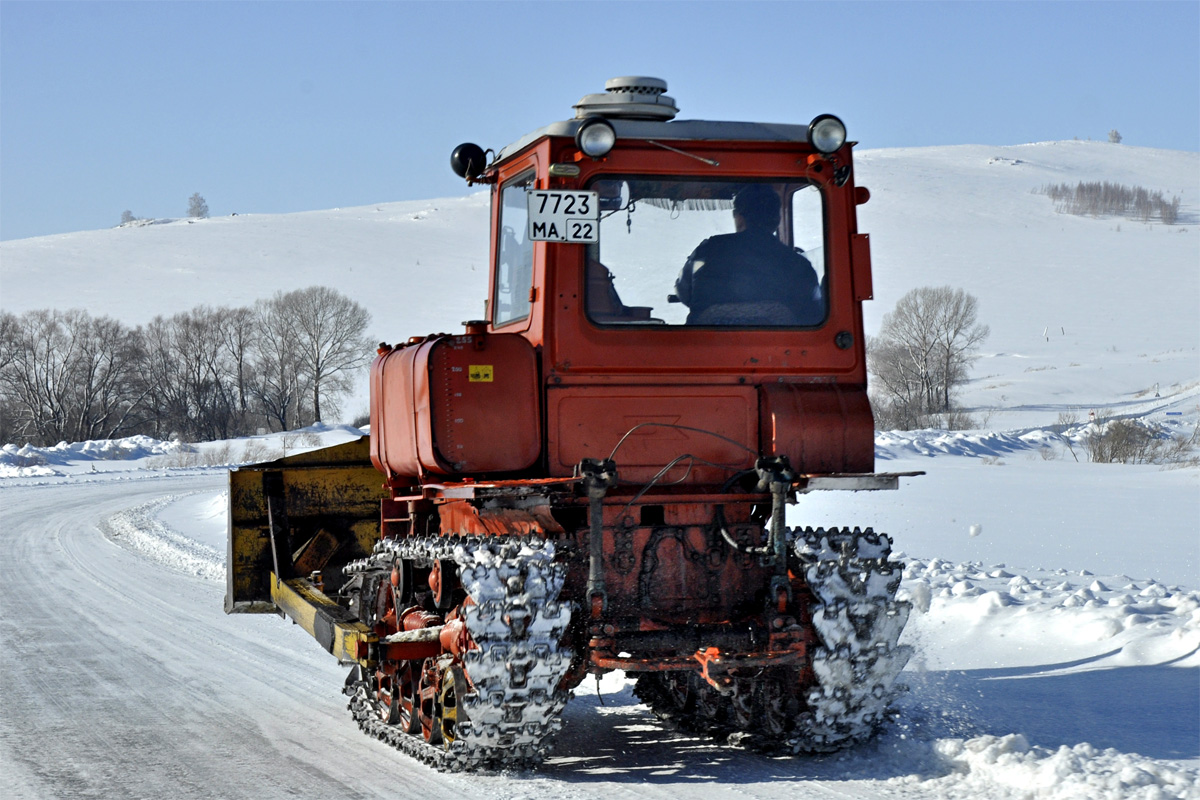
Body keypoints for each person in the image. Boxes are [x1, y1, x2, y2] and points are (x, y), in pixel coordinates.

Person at [674, 184, 822, 325]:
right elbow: (812, 310)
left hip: (705, 348)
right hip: (780, 350)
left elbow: (684, 291)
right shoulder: (798, 264)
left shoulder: (707, 251)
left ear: (739, 218)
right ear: (777, 220)